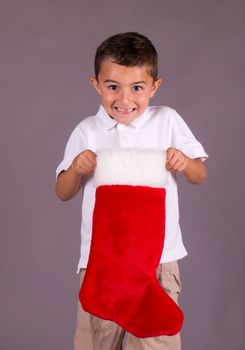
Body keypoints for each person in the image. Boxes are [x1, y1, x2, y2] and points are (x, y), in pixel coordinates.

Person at [55, 32, 208, 350]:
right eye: (113, 87)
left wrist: (185, 162)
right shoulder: (88, 131)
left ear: (154, 87)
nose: (124, 100)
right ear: (96, 85)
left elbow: (199, 174)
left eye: (137, 88)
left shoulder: (166, 121)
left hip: (157, 264)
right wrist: (76, 169)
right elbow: (63, 191)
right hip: (101, 266)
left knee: (155, 340)